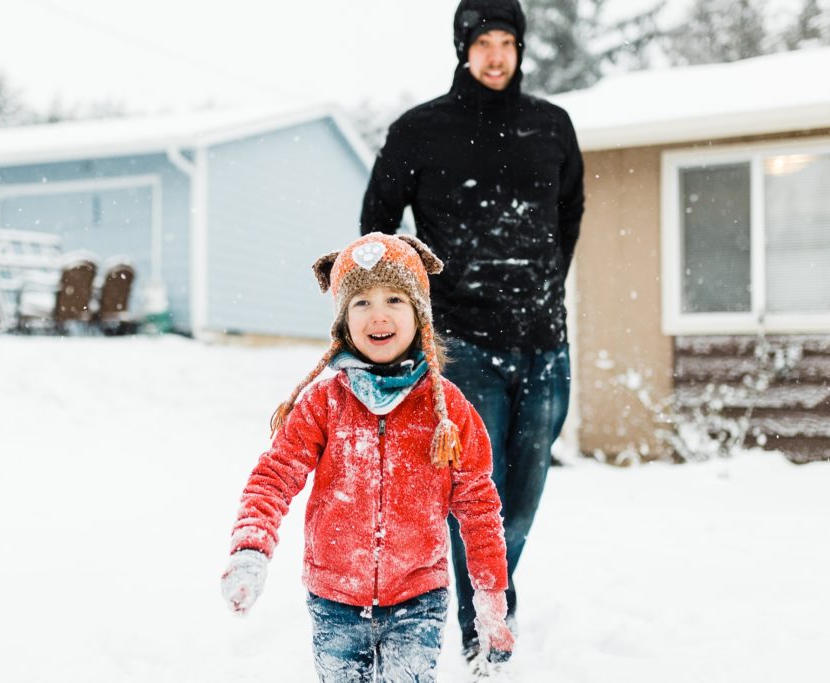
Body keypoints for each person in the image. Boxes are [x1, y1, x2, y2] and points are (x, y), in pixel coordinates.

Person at [359, 0, 585, 663]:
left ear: (519, 49)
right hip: (463, 345)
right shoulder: (420, 131)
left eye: (506, 41)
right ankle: (484, 626)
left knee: (522, 499)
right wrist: (405, 311)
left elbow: (568, 214)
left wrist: (540, 279)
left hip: (545, 340)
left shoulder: (552, 127)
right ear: (463, 49)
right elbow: (376, 226)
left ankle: (492, 595)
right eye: (482, 41)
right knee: (473, 495)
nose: (495, 54)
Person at [220, 232, 515, 681]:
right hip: (333, 598)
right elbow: (275, 475)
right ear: (342, 321)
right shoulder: (324, 402)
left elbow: (478, 506)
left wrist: (492, 596)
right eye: (360, 302)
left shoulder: (448, 411)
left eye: (395, 298)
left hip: (419, 596)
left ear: (420, 315)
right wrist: (250, 547)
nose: (378, 314)